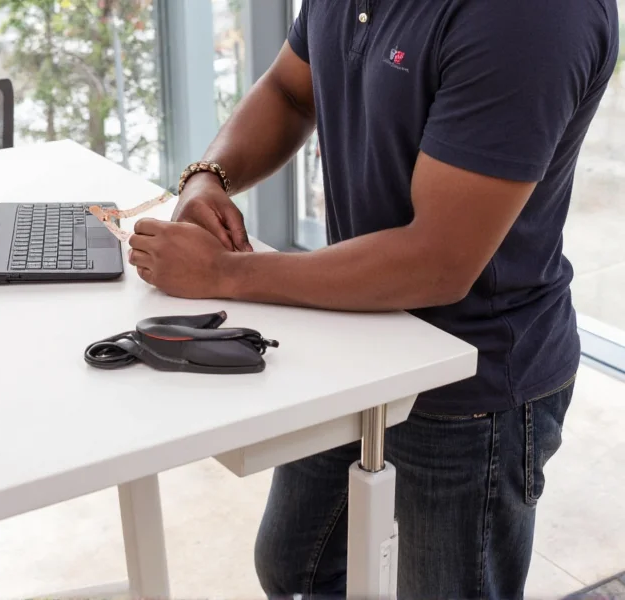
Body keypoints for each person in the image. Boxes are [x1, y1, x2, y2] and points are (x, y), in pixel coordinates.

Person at [128, 0, 620, 597]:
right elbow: (291, 91)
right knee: (297, 569)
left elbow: (437, 261)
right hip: (357, 339)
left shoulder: (531, 18)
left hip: (473, 384)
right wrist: (209, 175)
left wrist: (224, 274)